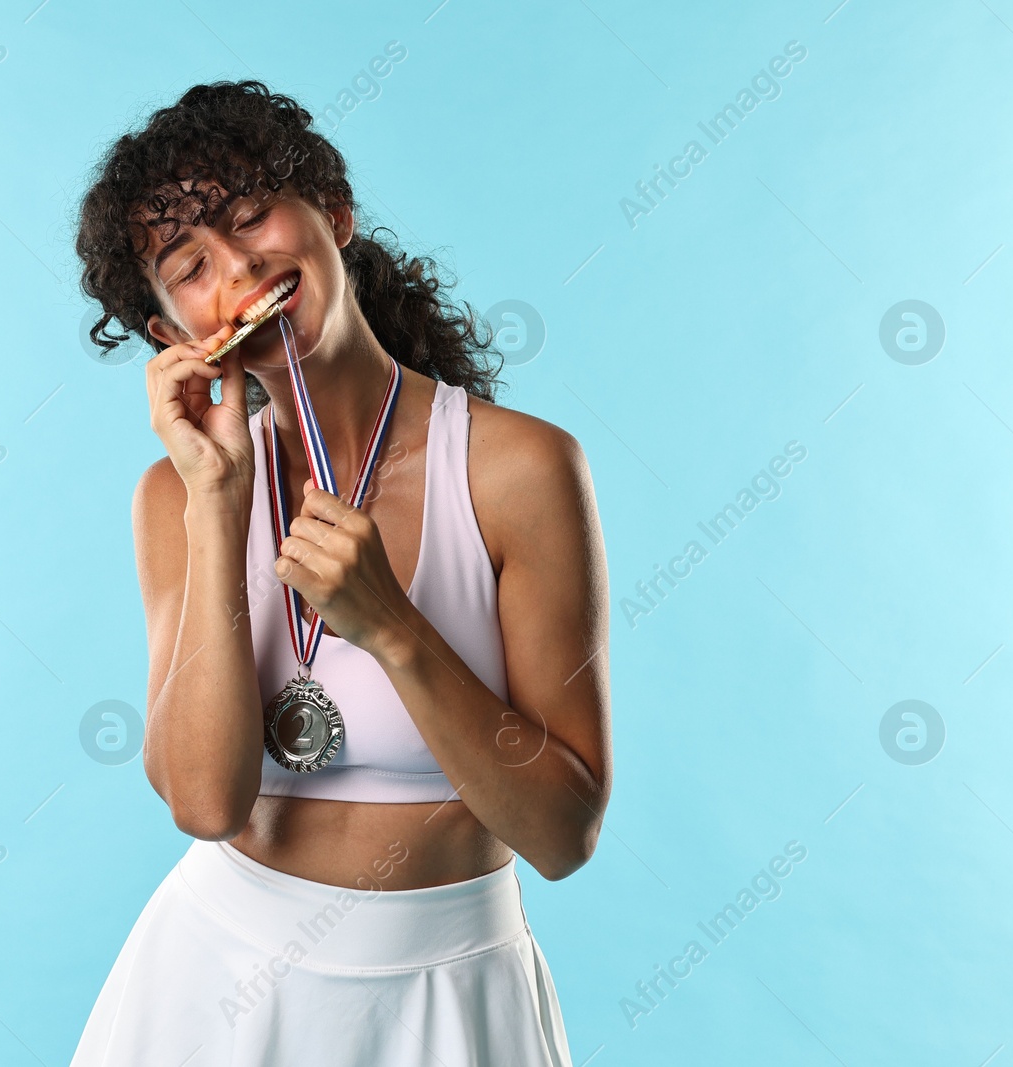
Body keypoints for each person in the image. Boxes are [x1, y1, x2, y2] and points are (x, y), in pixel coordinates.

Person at [70, 79, 611, 1066]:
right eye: (190, 265)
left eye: (251, 217)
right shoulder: (172, 496)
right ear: (172, 336)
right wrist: (217, 506)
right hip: (212, 985)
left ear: (334, 214)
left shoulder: (518, 470)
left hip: (451, 993)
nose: (238, 265)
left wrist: (394, 628)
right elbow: (203, 802)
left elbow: (564, 830)